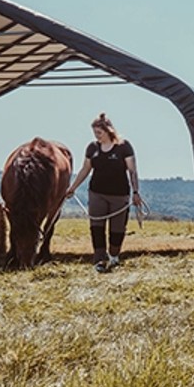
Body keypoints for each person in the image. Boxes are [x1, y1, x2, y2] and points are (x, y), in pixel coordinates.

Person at [66, 112, 142, 272]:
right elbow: (85, 169)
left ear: (108, 130)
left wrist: (135, 192)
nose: (97, 136)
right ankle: (99, 259)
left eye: (99, 133)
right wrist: (73, 187)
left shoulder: (124, 146)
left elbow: (132, 171)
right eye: (95, 133)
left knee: (117, 229)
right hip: (97, 193)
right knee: (96, 226)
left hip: (119, 195)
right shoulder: (92, 148)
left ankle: (114, 256)